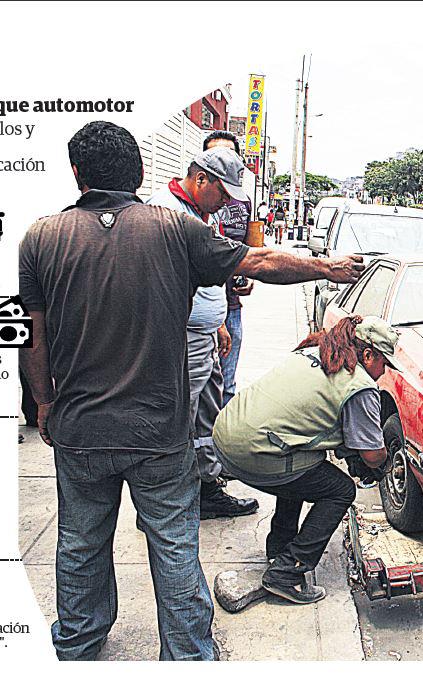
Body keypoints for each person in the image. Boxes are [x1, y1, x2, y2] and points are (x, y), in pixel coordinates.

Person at [19, 120, 364, 660]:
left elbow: (30, 333)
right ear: (137, 174)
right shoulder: (172, 230)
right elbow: (260, 261)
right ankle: (187, 656)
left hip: (81, 429)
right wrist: (329, 268)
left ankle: (79, 643)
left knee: (80, 544)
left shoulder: (41, 237)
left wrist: (42, 400)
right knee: (174, 546)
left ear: (77, 174)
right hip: (159, 430)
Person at [212, 315, 400, 604]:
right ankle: (287, 572)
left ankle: (280, 546)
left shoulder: (315, 351)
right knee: (340, 490)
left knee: (306, 462)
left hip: (226, 432)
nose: (383, 372)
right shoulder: (359, 384)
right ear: (367, 354)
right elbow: (373, 455)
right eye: (383, 364)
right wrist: (384, 462)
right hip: (250, 452)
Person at [147, 147, 258, 520]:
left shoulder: (198, 212)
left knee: (205, 417)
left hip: (205, 333)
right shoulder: (166, 211)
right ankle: (171, 501)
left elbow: (204, 276)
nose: (225, 202)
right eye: (222, 193)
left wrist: (219, 323)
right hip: (181, 338)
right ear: (200, 180)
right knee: (180, 418)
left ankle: (207, 487)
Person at [200, 130, 253, 406]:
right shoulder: (192, 207)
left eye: (229, 155)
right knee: (202, 386)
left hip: (231, 306)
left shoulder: (242, 201)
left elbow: (253, 247)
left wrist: (250, 277)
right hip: (203, 313)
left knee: (227, 385)